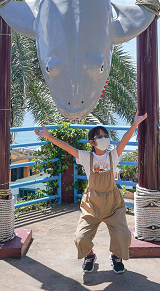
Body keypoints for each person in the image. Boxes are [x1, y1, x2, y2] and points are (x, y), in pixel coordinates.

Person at [35, 113, 146, 273]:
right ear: (92, 142)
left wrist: (135, 123)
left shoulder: (113, 156)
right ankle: (90, 255)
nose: (104, 138)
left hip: (113, 204)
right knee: (81, 239)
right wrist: (48, 136)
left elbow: (125, 140)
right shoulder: (86, 157)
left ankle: (116, 256)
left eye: (106, 136)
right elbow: (66, 147)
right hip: (92, 205)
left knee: (124, 237)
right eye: (99, 136)